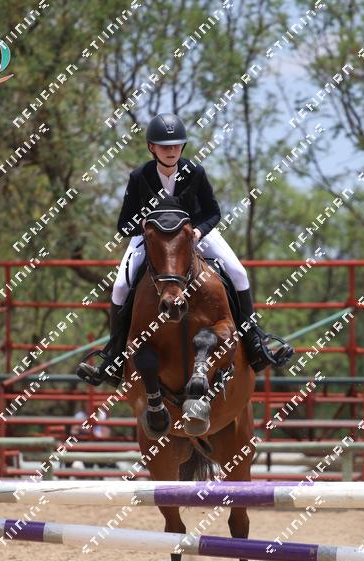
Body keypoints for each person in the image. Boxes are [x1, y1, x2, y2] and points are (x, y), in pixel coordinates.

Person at [77, 113, 293, 386]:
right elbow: (123, 224)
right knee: (120, 286)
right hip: (152, 239)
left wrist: (198, 232)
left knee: (238, 272)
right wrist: (144, 226)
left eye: (176, 145)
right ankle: (114, 359)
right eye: (164, 146)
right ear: (152, 147)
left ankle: (255, 342)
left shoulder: (195, 172)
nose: (171, 151)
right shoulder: (140, 176)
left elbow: (213, 212)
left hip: (194, 235)